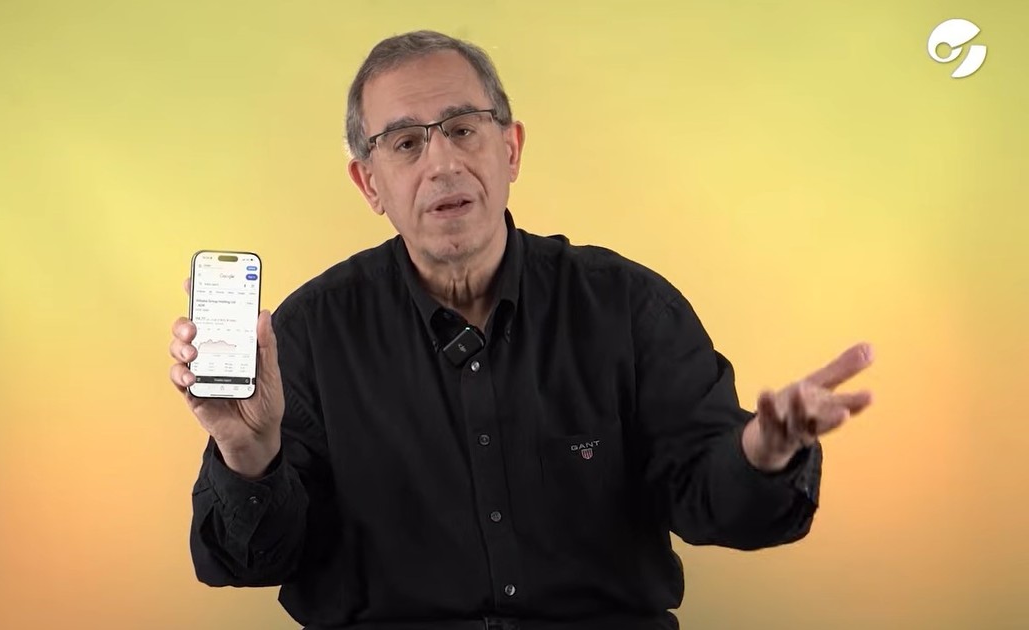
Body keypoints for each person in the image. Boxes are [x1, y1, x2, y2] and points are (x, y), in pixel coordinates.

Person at [167, 30, 875, 630]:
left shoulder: (628, 307)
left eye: (462, 129)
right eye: (406, 143)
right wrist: (248, 455)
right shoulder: (308, 336)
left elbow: (714, 502)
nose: (443, 163)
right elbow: (246, 562)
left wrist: (762, 456)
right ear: (369, 184)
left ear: (511, 149)